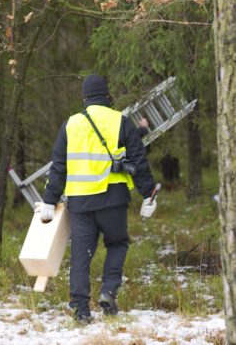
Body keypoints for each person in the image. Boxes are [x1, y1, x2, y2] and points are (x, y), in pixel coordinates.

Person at [36, 74, 157, 322]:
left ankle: (81, 309)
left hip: (80, 203)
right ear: (107, 97)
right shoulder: (120, 121)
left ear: (85, 98)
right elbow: (137, 160)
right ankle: (108, 292)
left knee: (81, 254)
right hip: (113, 201)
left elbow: (58, 166)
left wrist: (49, 200)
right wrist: (147, 195)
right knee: (117, 244)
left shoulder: (71, 124)